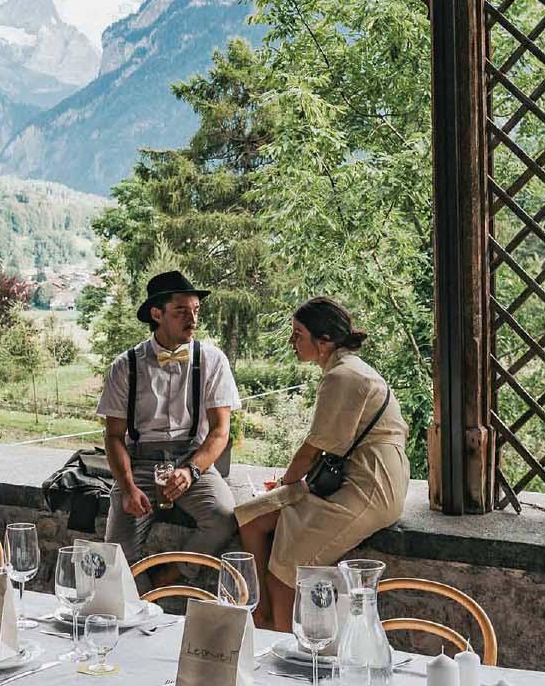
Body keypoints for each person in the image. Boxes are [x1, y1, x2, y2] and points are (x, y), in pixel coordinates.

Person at [235, 297, 408, 630]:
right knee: (250, 517)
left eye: (298, 334)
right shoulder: (344, 371)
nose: (292, 342)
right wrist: (287, 485)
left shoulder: (344, 376)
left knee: (285, 569)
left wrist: (287, 483)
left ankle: (280, 640)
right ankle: (260, 616)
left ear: (324, 340)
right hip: (353, 477)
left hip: (369, 485)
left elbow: (313, 448)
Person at [96, 270, 242, 569]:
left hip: (193, 459)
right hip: (139, 464)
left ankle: (172, 578)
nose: (193, 319)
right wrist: (126, 487)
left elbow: (219, 431)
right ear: (156, 313)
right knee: (116, 553)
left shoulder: (213, 360)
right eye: (181, 311)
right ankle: (139, 603)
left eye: (195, 311)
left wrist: (191, 470)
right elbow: (113, 436)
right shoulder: (126, 366)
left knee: (224, 518)